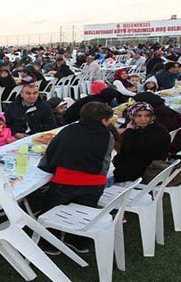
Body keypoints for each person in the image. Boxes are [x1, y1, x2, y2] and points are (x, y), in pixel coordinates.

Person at [37, 102, 116, 254]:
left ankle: (50, 244)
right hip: (94, 185)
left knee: (50, 209)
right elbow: (105, 162)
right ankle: (79, 241)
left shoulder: (69, 130)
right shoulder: (108, 136)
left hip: (65, 181)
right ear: (104, 120)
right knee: (85, 210)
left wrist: (50, 167)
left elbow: (52, 151)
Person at [113, 102, 170, 183]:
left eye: (147, 115)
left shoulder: (156, 132)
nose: (143, 119)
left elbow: (127, 149)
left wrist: (129, 130)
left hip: (144, 170)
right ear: (132, 117)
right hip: (143, 164)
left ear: (152, 117)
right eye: (138, 116)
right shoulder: (150, 127)